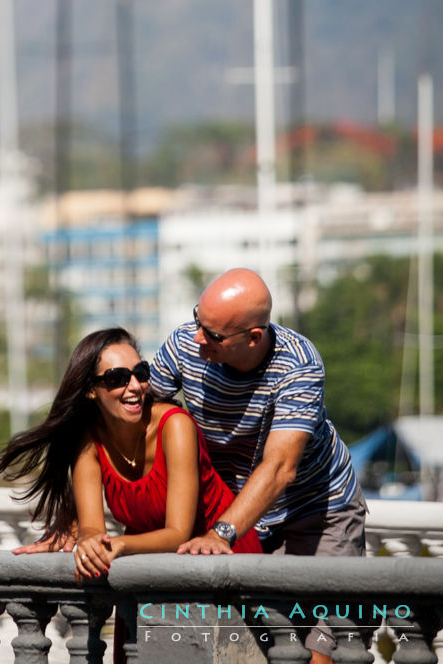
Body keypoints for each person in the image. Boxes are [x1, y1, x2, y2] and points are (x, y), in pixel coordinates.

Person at [150, 268, 366, 662]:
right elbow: (136, 421)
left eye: (213, 335)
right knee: (255, 648)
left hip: (316, 510)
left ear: (253, 336)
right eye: (199, 319)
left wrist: (222, 533)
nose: (198, 337)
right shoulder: (184, 345)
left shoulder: (298, 364)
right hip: (239, 510)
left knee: (322, 649)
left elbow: (281, 466)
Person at [0, 326, 262, 578]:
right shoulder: (87, 440)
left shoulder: (175, 426)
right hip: (148, 568)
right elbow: (93, 528)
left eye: (141, 373)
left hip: (219, 557)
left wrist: (119, 545)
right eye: (117, 378)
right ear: (90, 390)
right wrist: (88, 540)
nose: (135, 386)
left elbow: (178, 533)